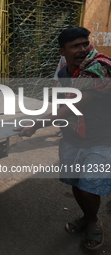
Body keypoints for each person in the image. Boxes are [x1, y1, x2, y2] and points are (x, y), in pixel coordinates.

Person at [15, 27, 111, 250]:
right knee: (76, 183)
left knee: (89, 187)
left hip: (102, 138)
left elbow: (72, 106)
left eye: (85, 43)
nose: (83, 49)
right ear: (62, 51)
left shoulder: (98, 69)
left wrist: (37, 125)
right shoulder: (65, 72)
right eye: (75, 46)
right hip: (73, 135)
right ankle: (87, 216)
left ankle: (94, 221)